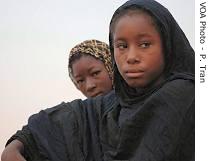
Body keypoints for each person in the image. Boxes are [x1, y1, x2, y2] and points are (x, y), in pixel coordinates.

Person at [2, 0, 195, 161]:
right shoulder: (111, 107)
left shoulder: (186, 96)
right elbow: (62, 121)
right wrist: (16, 145)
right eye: (121, 46)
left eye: (145, 44)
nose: (131, 57)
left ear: (168, 44)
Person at [1, 39, 113, 161]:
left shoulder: (134, 103)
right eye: (80, 80)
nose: (89, 86)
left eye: (95, 73)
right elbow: (12, 151)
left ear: (111, 67)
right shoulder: (79, 117)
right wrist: (14, 148)